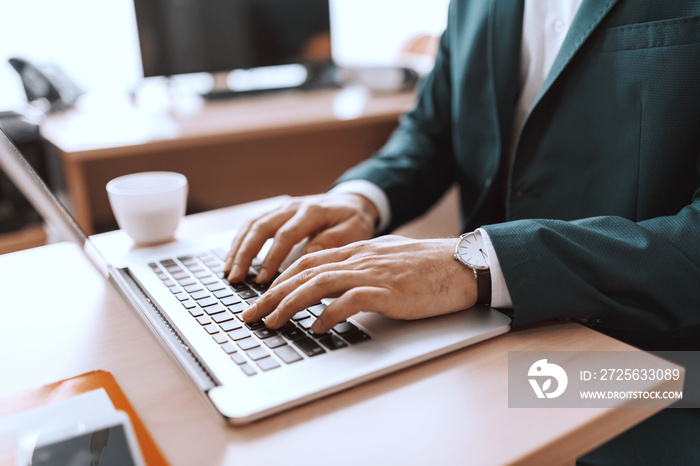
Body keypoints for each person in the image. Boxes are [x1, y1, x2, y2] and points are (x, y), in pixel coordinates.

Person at [223, 1, 700, 463]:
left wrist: (475, 265)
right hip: (490, 337)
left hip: (656, 367)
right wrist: (361, 198)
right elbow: (433, 129)